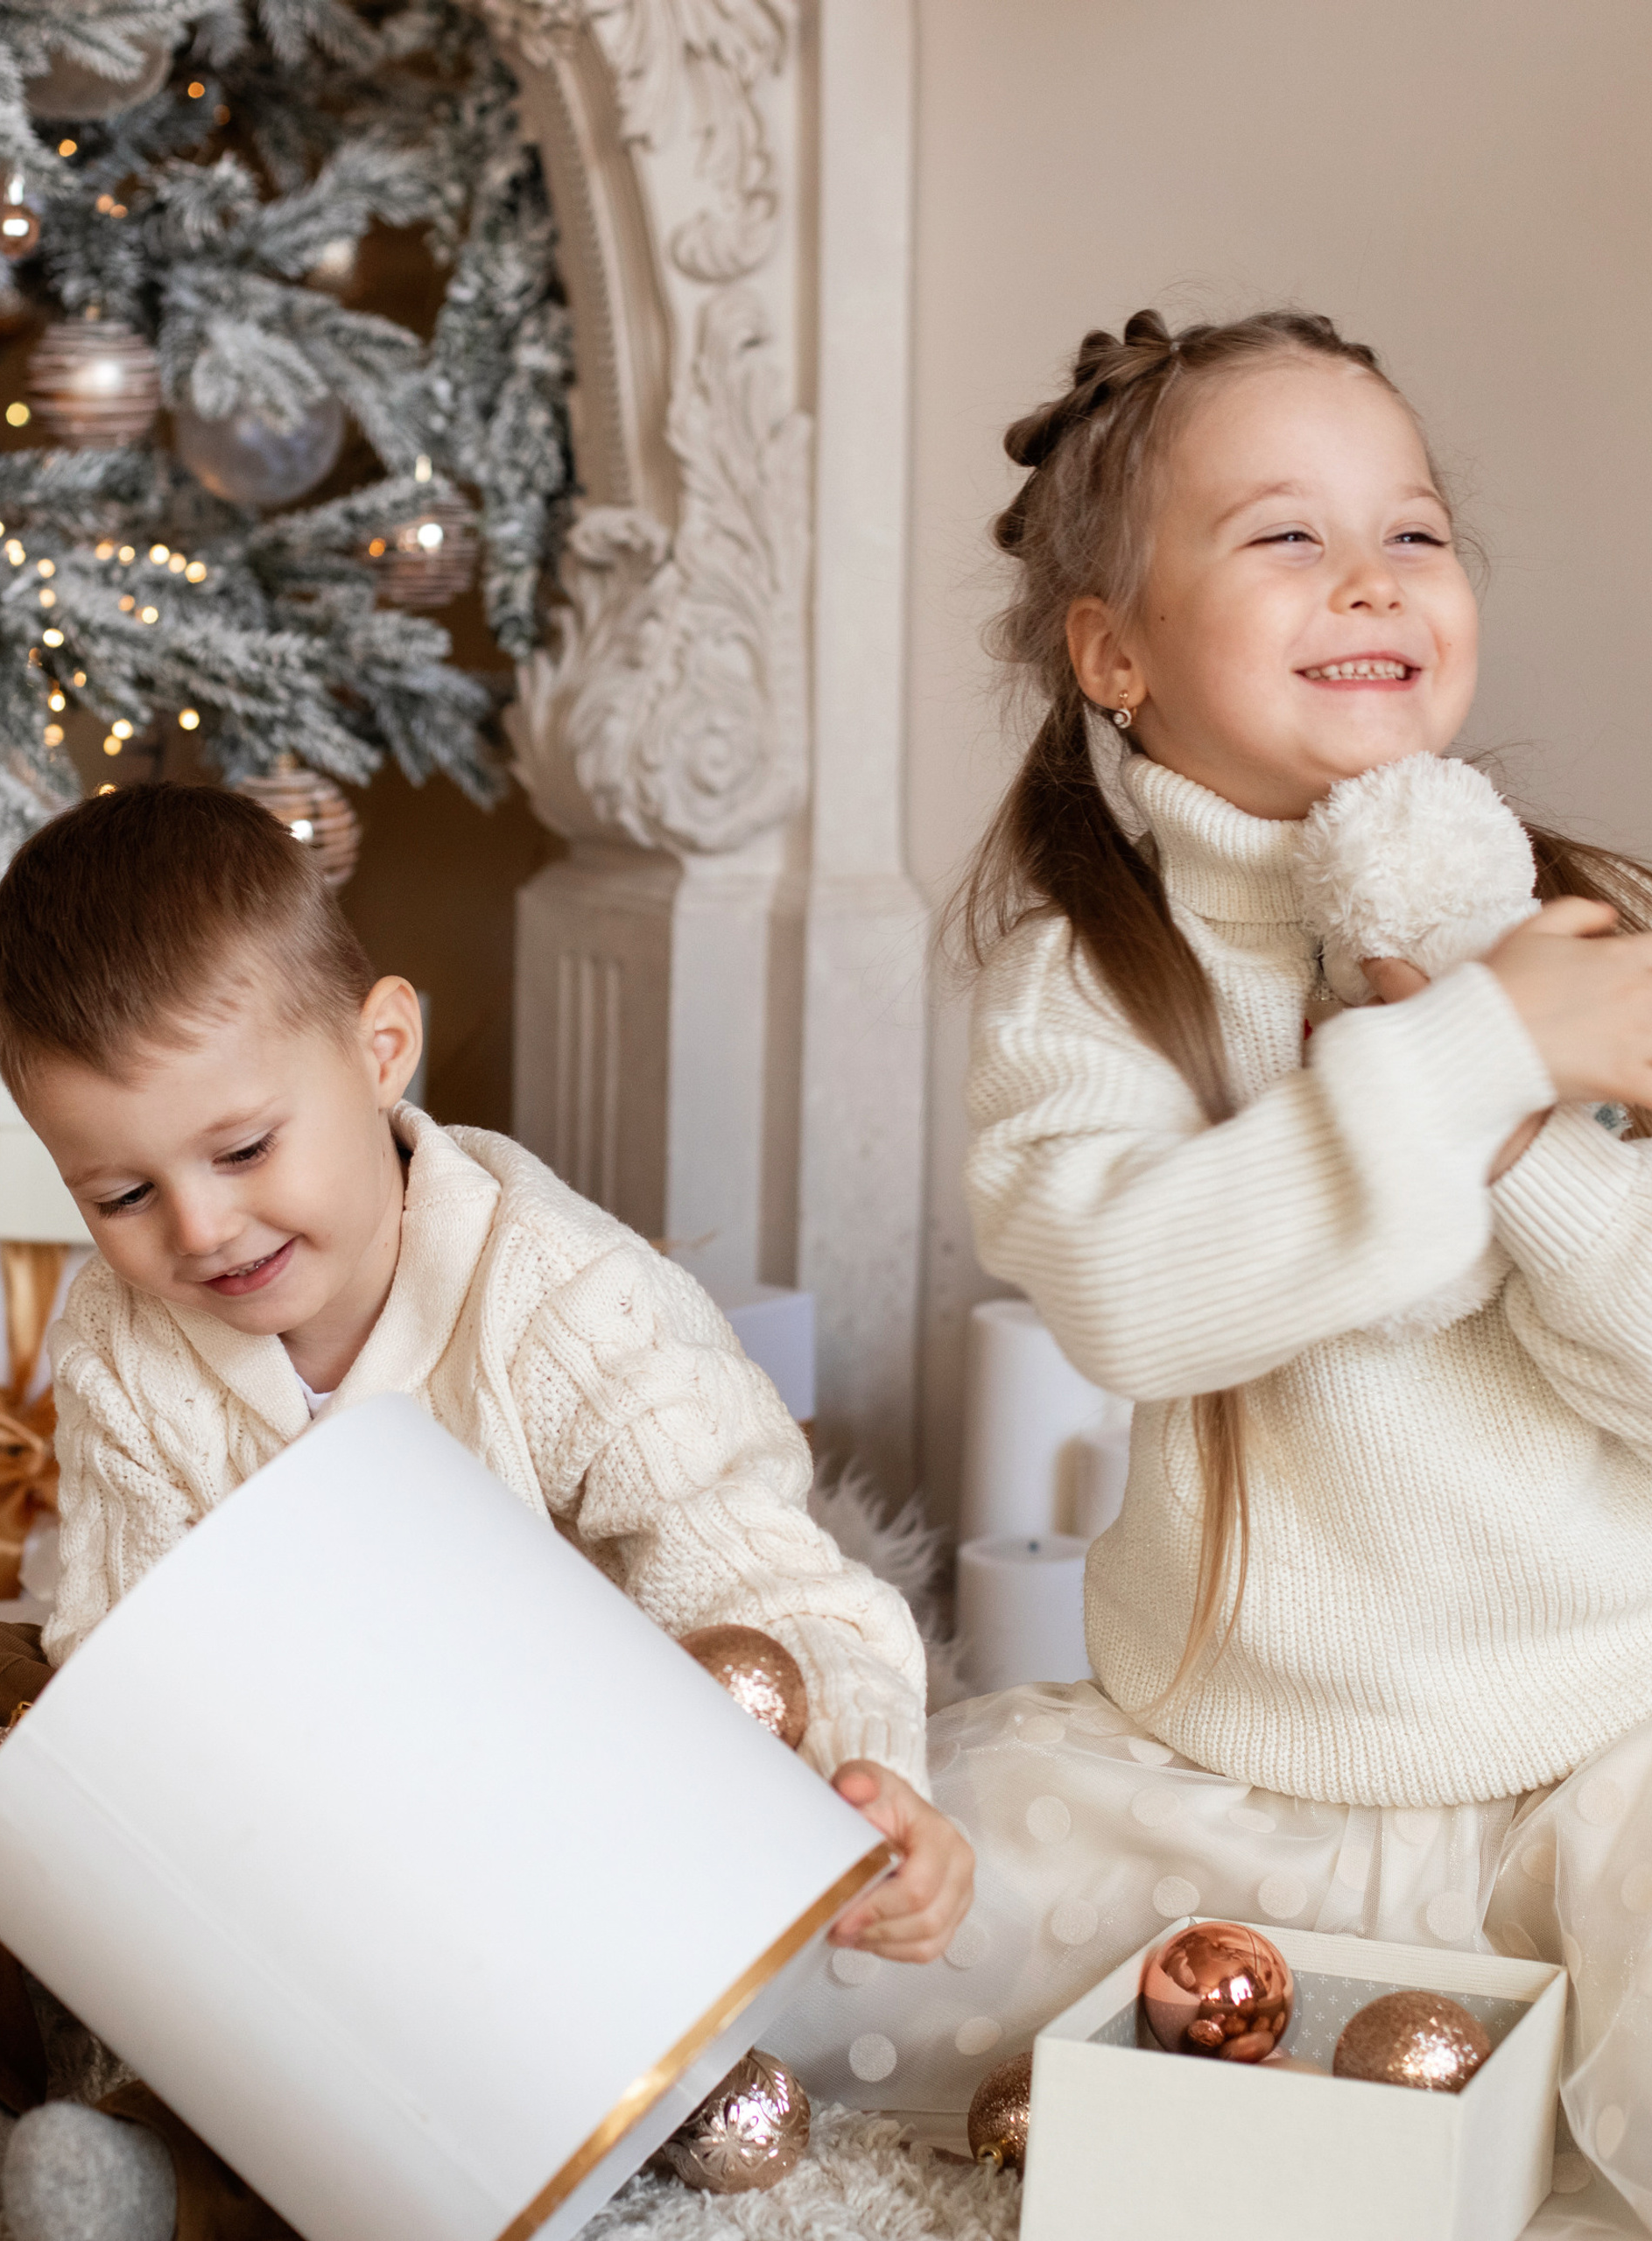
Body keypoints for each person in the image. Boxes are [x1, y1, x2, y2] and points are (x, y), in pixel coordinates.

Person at [0, 782, 971, 2241]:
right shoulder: (120, 1338)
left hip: (530, 1825)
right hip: (256, 1784)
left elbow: (763, 1576)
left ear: (379, 1051)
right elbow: (125, 1631)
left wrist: (860, 1784)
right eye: (122, 1191)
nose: (200, 1230)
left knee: (374, 1982)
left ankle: (176, 2171)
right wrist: (86, 1785)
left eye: (245, 1150)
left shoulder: (575, 1303)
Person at [770, 304, 1652, 2214]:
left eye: (1410, 530)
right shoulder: (1086, 982)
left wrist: (1537, 1135)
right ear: (1113, 652)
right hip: (1233, 1768)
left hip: (1601, 1730)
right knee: (849, 1958)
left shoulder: (1584, 940)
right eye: (1281, 536)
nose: (1368, 575)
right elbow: (1135, 1287)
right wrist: (1467, 1059)